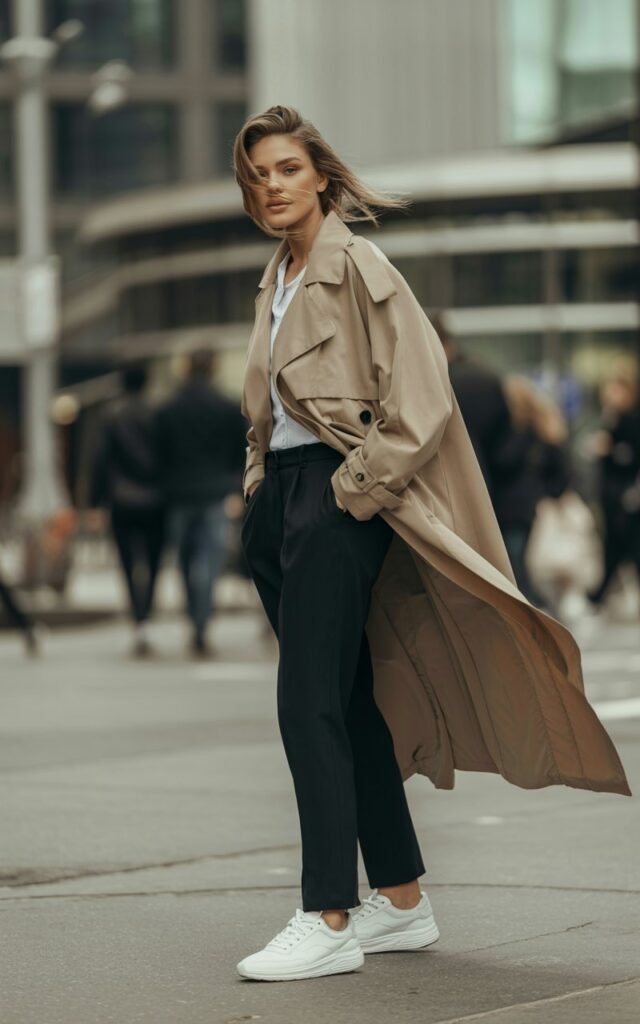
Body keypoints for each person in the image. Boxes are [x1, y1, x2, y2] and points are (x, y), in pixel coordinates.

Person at [234, 105, 629, 983]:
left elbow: (421, 403)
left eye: (288, 169)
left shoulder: (359, 266)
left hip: (336, 495)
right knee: (345, 699)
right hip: (284, 500)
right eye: (258, 174)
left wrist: (347, 494)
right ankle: (402, 899)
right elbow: (266, 409)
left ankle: (327, 914)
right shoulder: (277, 279)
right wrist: (257, 484)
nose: (273, 185)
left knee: (307, 705)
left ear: (322, 176)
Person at [154, 349, 246, 657]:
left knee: (184, 560)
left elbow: (159, 453)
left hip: (178, 494)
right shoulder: (228, 407)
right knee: (210, 560)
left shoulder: (168, 409)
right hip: (215, 492)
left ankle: (194, 615)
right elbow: (240, 451)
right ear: (214, 368)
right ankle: (202, 622)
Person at [90, 362, 165, 657]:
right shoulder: (158, 413)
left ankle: (138, 617)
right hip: (157, 498)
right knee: (154, 561)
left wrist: (96, 501)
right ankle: (146, 614)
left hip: (121, 499)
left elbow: (100, 460)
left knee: (127, 562)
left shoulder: (110, 415)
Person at [492, 376, 571, 607]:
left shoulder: (520, 434)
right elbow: (561, 474)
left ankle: (530, 607)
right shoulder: (544, 434)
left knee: (516, 563)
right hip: (526, 509)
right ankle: (532, 606)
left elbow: (503, 462)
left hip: (514, 510)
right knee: (520, 562)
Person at [431, 312, 512, 501]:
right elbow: (506, 443)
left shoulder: (429, 383)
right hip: (487, 486)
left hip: (442, 490)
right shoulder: (486, 378)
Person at [587, 363, 640, 608]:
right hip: (612, 494)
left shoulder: (631, 420)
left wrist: (610, 450)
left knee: (622, 546)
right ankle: (599, 596)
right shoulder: (610, 417)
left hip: (626, 495)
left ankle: (598, 597)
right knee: (617, 545)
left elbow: (629, 456)